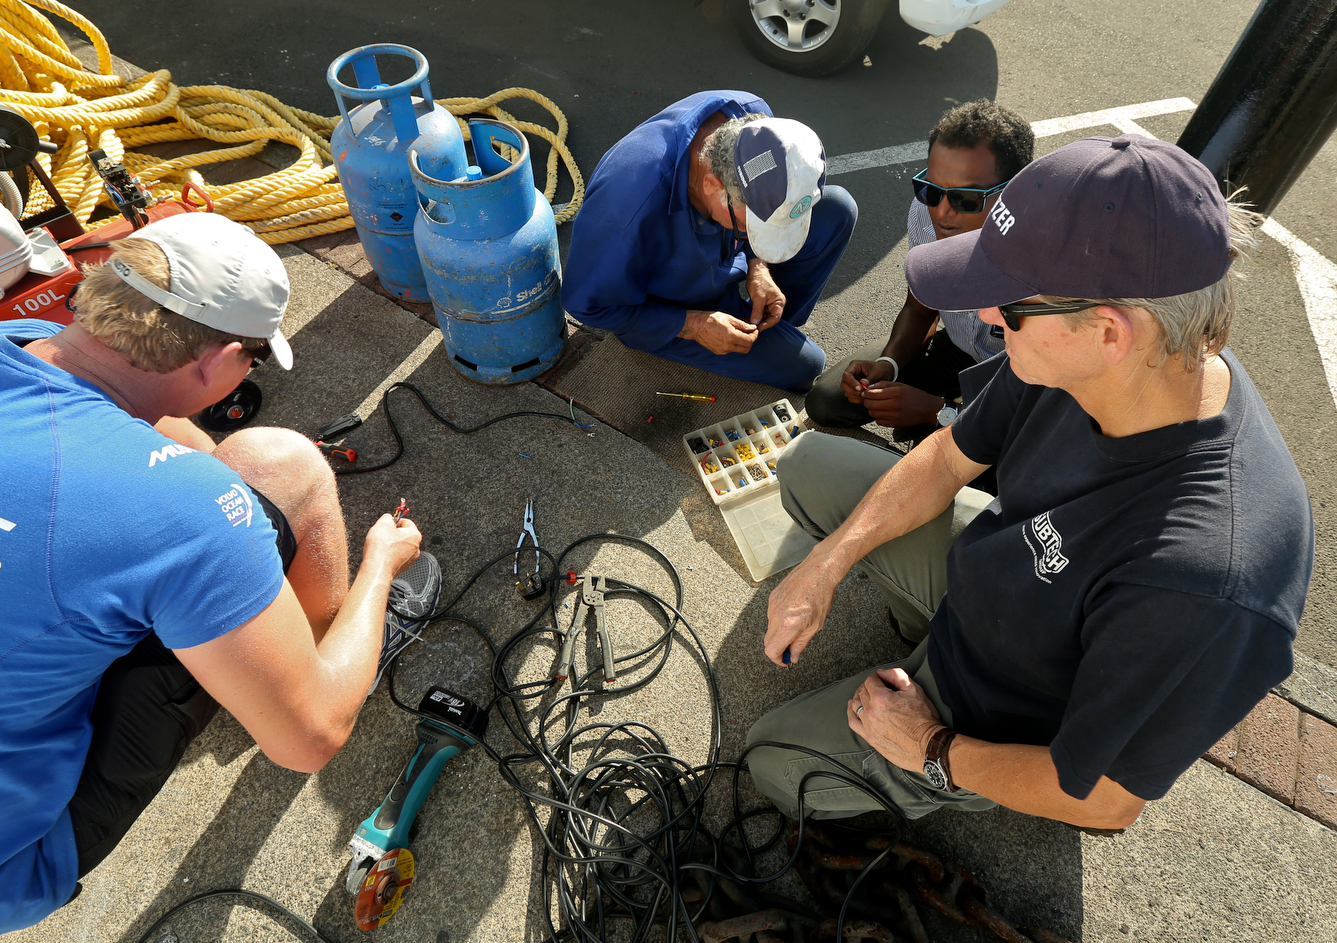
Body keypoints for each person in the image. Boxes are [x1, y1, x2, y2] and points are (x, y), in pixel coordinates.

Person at [0, 212, 443, 942]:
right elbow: (308, 744)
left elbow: (153, 437)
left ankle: (270, 644)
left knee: (256, 476)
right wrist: (379, 563)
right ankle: (317, 662)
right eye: (253, 356)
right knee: (290, 498)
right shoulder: (177, 515)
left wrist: (212, 513)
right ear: (218, 361)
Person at [747, 136, 1313, 831]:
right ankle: (919, 626)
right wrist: (824, 564)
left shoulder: (1205, 579)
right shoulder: (1110, 357)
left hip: (1008, 712)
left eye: (1008, 307)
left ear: (1108, 332)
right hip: (999, 585)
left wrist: (932, 747)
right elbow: (948, 457)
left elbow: (1106, 800)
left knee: (768, 756)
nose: (986, 317)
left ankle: (935, 747)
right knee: (810, 463)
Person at [561, 90, 858, 392]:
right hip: (670, 305)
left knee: (837, 207)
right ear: (711, 184)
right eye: (749, 227)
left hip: (712, 260)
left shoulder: (756, 127)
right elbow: (587, 306)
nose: (753, 236)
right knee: (807, 366)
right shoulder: (625, 209)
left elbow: (761, 203)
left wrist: (759, 265)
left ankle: (770, 327)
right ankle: (758, 341)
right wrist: (693, 325)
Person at [805, 100, 1033, 449]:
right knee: (828, 400)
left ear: (1013, 193)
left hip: (1024, 377)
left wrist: (940, 412)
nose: (941, 211)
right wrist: (889, 363)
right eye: (931, 189)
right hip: (959, 350)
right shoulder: (925, 212)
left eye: (965, 199)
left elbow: (1049, 405)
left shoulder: (1044, 262)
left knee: (992, 465)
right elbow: (921, 306)